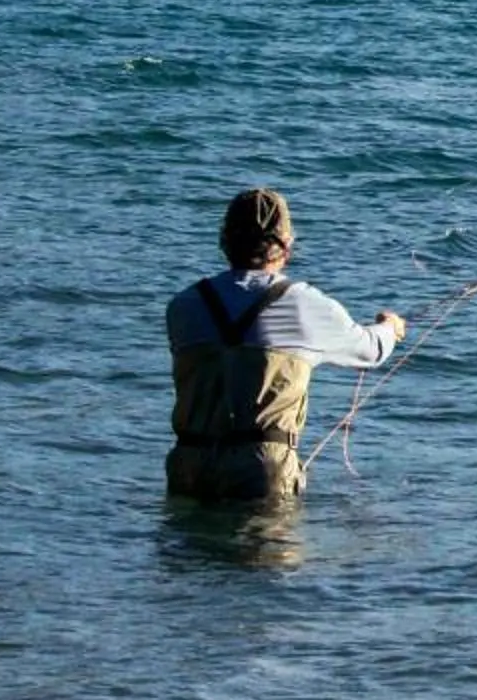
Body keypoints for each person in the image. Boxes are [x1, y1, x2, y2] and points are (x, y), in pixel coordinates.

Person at [165, 187, 408, 502]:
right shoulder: (303, 304)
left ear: (224, 242)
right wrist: (390, 327)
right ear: (287, 246)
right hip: (262, 472)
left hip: (189, 465)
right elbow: (371, 350)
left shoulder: (183, 306)